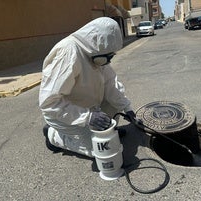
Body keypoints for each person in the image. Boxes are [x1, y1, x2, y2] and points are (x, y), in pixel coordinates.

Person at [39, 17, 135, 157]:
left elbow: (110, 84)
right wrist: (87, 117)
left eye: (111, 56)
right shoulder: (68, 53)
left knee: (111, 108)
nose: (108, 61)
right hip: (63, 115)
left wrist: (128, 109)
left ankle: (108, 132)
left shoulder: (97, 51)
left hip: (89, 108)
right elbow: (49, 103)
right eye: (107, 57)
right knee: (100, 150)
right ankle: (53, 136)